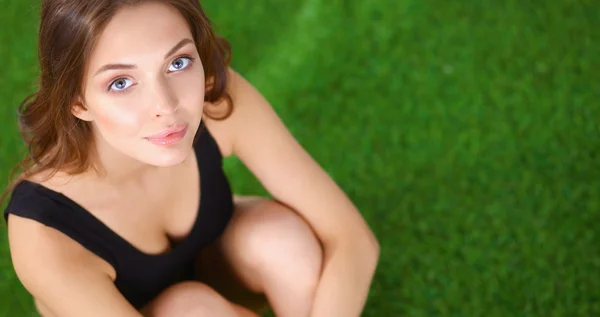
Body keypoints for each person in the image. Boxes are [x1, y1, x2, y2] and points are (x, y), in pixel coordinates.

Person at [2, 1, 380, 316]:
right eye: (121, 83)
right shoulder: (45, 231)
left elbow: (352, 238)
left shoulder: (216, 101)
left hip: (218, 276)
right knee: (193, 309)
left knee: (281, 240)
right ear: (78, 101)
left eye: (178, 63)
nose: (166, 107)